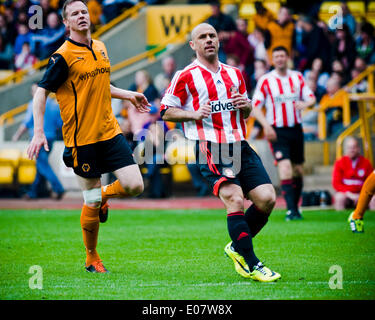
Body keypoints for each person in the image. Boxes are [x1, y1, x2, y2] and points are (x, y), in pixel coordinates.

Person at [26, 0, 150, 274]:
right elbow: (41, 93)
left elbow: (100, 83)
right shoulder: (62, 57)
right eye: (74, 14)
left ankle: (104, 195)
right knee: (91, 201)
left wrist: (128, 94)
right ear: (67, 23)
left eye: (84, 11)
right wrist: (37, 132)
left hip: (109, 131)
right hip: (81, 141)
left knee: (135, 186)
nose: (81, 16)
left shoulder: (101, 47)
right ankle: (92, 257)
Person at [160, 23, 280, 282]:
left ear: (218, 40)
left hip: (240, 145)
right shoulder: (186, 75)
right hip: (210, 146)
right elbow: (165, 110)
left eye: (212, 35)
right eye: (202, 37)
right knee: (234, 199)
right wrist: (192, 113)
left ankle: (236, 246)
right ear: (193, 45)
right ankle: (252, 264)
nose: (208, 40)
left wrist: (245, 105)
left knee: (267, 199)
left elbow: (246, 110)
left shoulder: (235, 73)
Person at [251, 46, 316, 221]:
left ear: (287, 57)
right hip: (277, 130)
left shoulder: (297, 77)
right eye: (276, 56)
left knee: (298, 170)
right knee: (285, 167)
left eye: (282, 56)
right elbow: (255, 105)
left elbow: (311, 97)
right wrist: (266, 126)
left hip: (296, 129)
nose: (280, 59)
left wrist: (306, 104)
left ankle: (296, 207)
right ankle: (291, 210)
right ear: (272, 60)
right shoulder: (266, 80)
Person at [13, 82, 65, 200]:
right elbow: (60, 124)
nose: (34, 93)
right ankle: (32, 193)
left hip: (38, 140)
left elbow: (26, 123)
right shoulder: (53, 104)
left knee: (43, 165)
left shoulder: (33, 104)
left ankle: (58, 188)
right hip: (50, 139)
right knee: (41, 166)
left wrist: (17, 135)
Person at [332, 136, 374, 211]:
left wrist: (362, 194)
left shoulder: (366, 163)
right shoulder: (339, 163)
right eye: (349, 148)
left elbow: (371, 183)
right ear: (345, 150)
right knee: (339, 198)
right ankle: (340, 220)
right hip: (346, 194)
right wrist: (349, 194)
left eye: (354, 147)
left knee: (374, 199)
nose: (352, 150)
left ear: (358, 148)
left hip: (362, 193)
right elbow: (336, 184)